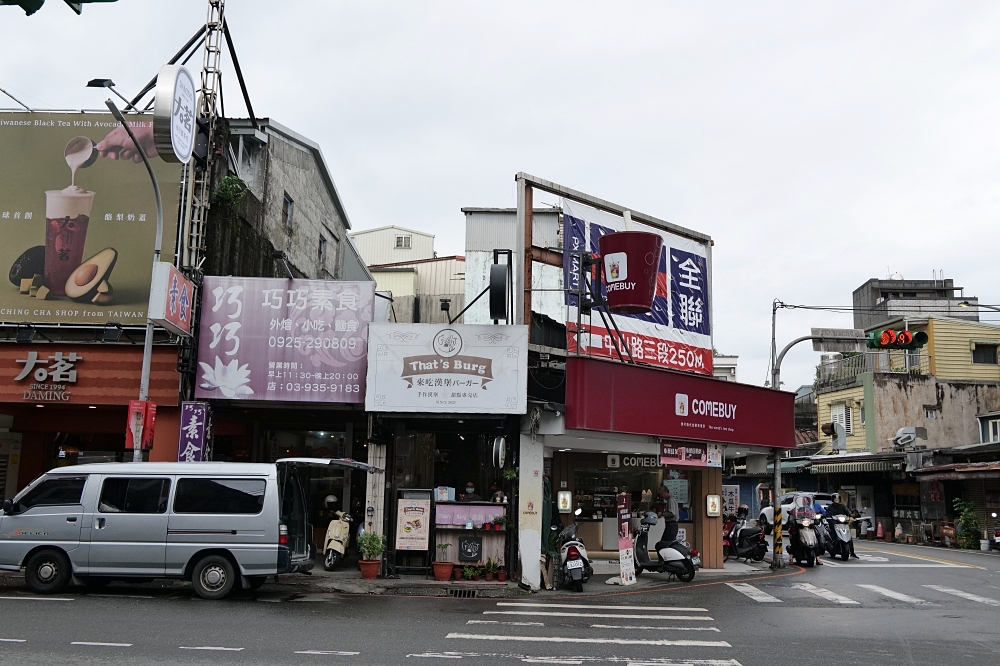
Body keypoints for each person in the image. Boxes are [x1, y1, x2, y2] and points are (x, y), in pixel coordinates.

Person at [825, 493, 859, 558]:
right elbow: (828, 515)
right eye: (835, 499)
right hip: (834, 524)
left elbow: (847, 511)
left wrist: (850, 516)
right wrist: (831, 520)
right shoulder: (830, 507)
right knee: (833, 532)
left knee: (849, 536)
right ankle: (833, 543)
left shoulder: (842, 506)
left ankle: (852, 552)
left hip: (843, 524)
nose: (837, 500)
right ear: (833, 500)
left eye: (838, 499)